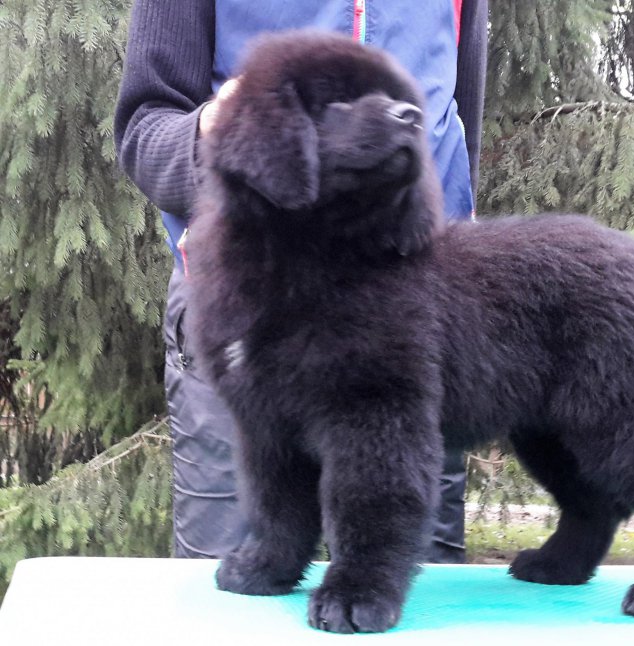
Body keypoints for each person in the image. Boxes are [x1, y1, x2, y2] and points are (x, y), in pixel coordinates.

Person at [114, 0, 488, 562]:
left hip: (409, 315)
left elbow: (454, 121)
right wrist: (227, 139)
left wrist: (445, 223)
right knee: (242, 584)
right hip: (252, 315)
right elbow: (145, 125)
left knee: (401, 584)